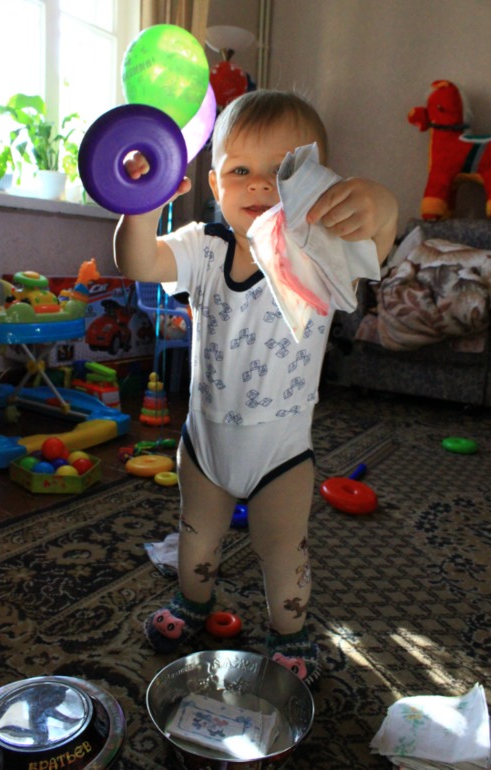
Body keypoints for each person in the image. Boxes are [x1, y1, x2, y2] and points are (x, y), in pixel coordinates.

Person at [114, 89, 398, 685]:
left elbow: (377, 244)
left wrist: (381, 206)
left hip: (281, 454)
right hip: (205, 444)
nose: (261, 185)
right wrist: (139, 206)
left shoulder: (320, 254)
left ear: (317, 183)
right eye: (240, 171)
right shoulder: (203, 247)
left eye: (282, 171)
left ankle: (289, 633)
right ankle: (193, 604)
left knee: (283, 552)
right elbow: (138, 263)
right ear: (215, 185)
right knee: (196, 541)